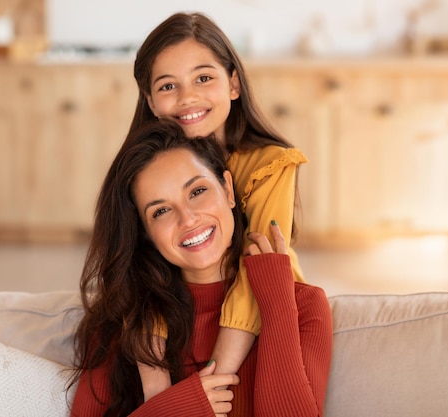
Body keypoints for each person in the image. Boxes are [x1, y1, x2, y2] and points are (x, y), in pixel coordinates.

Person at [69, 120, 333, 416]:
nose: (188, 219)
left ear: (228, 190)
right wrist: (176, 407)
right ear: (146, 232)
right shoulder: (121, 321)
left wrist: (275, 299)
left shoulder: (303, 305)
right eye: (161, 211)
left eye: (197, 191)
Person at [123, 12, 310, 400]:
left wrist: (214, 380)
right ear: (150, 101)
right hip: (184, 314)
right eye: (168, 86)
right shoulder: (146, 171)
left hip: (256, 320)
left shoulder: (270, 165)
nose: (187, 97)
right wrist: (160, 391)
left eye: (203, 78)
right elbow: (140, 268)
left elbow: (256, 272)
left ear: (234, 84)